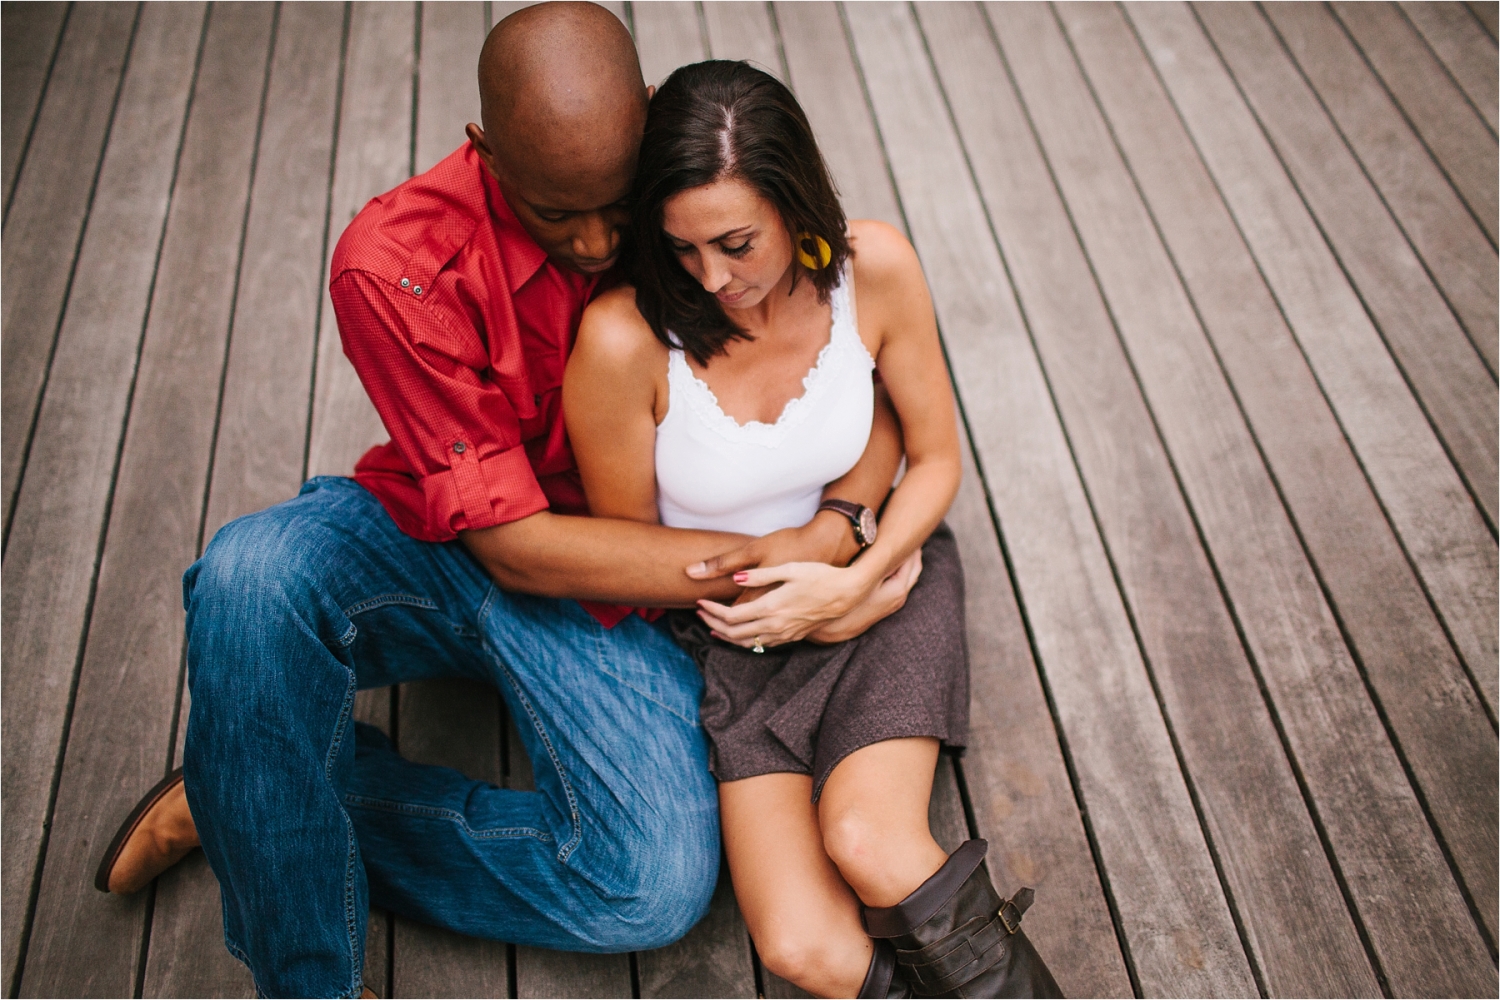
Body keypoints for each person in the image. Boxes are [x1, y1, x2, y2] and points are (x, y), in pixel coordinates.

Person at [90, 6, 914, 997]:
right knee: (250, 577)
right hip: (461, 542)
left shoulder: (694, 195)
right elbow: (516, 550)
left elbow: (852, 353)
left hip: (623, 588)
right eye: (557, 214)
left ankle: (250, 795)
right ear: (484, 149)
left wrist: (848, 522)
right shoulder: (394, 261)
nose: (599, 240)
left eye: (615, 205)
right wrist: (781, 555)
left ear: (648, 118)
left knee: (648, 885)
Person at [564, 61, 1063, 999]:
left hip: (886, 585)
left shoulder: (874, 269)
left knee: (869, 838)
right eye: (682, 249)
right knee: (800, 947)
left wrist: (852, 580)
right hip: (735, 641)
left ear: (795, 204)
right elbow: (631, 554)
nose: (713, 279)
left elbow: (939, 460)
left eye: (737, 243)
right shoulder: (622, 343)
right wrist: (790, 593)